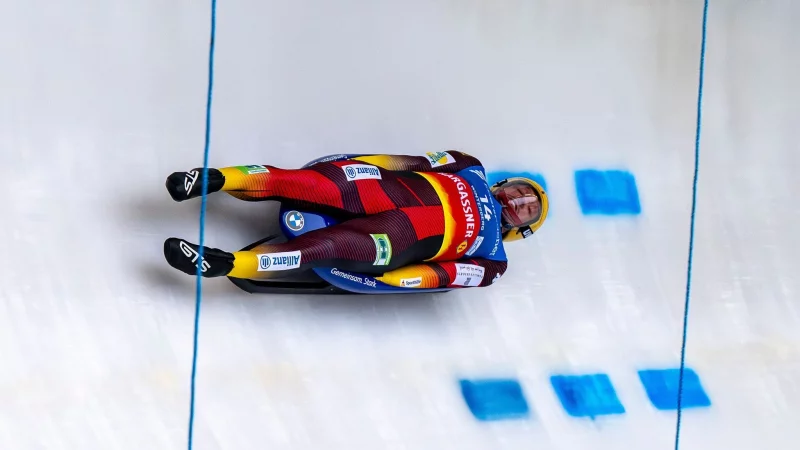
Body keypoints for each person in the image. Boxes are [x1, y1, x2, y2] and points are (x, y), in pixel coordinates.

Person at [163, 151, 548, 289]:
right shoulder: (469, 166)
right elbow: (411, 163)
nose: (520, 199)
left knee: (324, 248)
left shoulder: (494, 261)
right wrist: (365, 165)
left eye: (529, 206)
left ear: (521, 227)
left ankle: (225, 264)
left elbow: (445, 276)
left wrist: (398, 280)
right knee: (307, 183)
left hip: (399, 239)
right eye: (522, 190)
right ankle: (215, 178)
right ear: (507, 183)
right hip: (383, 188)